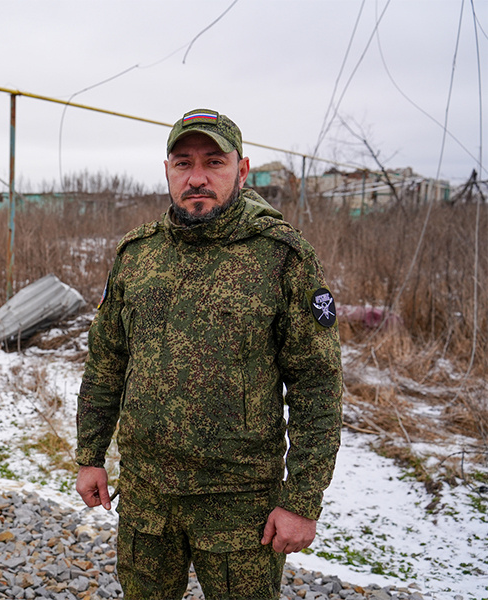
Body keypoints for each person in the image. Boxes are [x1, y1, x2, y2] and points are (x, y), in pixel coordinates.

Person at [75, 108, 343, 600]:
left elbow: (317, 384)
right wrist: (90, 455)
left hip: (239, 507)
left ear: (241, 171)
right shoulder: (138, 257)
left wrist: (302, 501)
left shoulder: (281, 256)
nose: (197, 177)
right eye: (183, 163)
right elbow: (106, 362)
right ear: (167, 171)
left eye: (214, 162)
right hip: (146, 498)